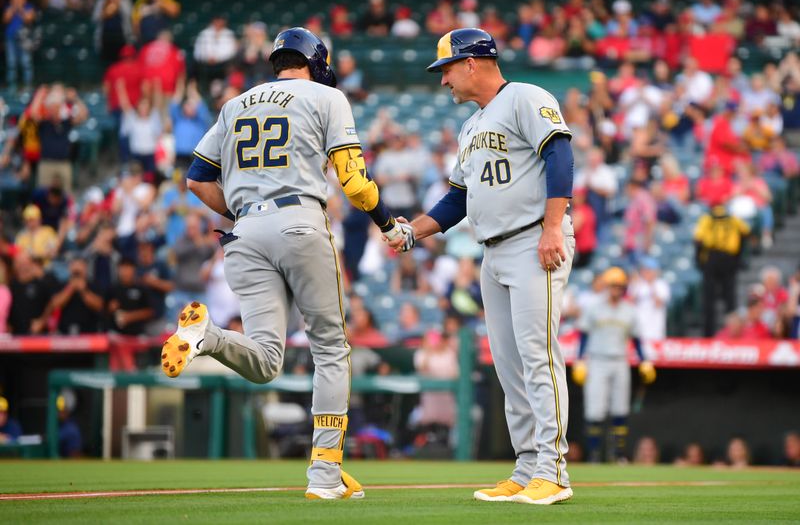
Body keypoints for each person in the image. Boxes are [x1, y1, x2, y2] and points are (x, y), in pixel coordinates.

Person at [161, 27, 408, 500]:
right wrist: (385, 223)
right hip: (299, 221)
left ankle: (207, 337)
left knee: (267, 360)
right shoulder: (325, 96)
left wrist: (246, 214)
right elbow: (354, 183)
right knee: (330, 350)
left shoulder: (235, 104)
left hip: (243, 232)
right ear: (316, 63)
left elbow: (195, 179)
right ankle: (324, 475)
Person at [387, 28, 576, 505]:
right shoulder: (470, 127)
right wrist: (415, 231)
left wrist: (553, 226)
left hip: (535, 238)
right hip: (492, 250)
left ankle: (554, 471)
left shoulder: (525, 97)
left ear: (472, 63)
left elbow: (560, 153)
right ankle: (527, 466)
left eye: (446, 69)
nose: (443, 81)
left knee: (538, 357)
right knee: (510, 369)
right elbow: (459, 198)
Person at [572, 267, 656, 464]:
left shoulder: (629, 310)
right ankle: (594, 454)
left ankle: (618, 455)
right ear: (607, 286)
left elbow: (636, 339)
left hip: (620, 360)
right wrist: (579, 359)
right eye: (613, 286)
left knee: (620, 408)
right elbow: (583, 335)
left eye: (620, 286)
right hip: (598, 359)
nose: (616, 290)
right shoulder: (594, 307)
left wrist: (644, 360)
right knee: (595, 409)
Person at [694, 204, 750, 336]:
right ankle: (731, 333)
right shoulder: (733, 219)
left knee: (710, 299)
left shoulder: (707, 219)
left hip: (712, 259)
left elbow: (698, 240)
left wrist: (699, 261)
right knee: (730, 300)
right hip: (728, 259)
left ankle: (708, 335)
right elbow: (746, 233)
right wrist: (739, 258)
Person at [49, 257, 105, 334]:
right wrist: (70, 289)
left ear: (85, 269)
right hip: (65, 332)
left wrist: (83, 291)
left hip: (89, 333)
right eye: (74, 267)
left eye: (80, 267)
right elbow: (55, 304)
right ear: (69, 269)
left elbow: (99, 306)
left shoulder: (93, 285)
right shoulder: (61, 285)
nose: (77, 270)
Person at [3, 0, 35, 91]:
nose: (18, 0)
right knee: (11, 63)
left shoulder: (29, 7)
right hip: (11, 38)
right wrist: (13, 8)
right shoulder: (8, 7)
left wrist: (20, 9)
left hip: (24, 38)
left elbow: (28, 19)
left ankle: (27, 85)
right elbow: (5, 19)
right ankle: (12, 86)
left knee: (26, 62)